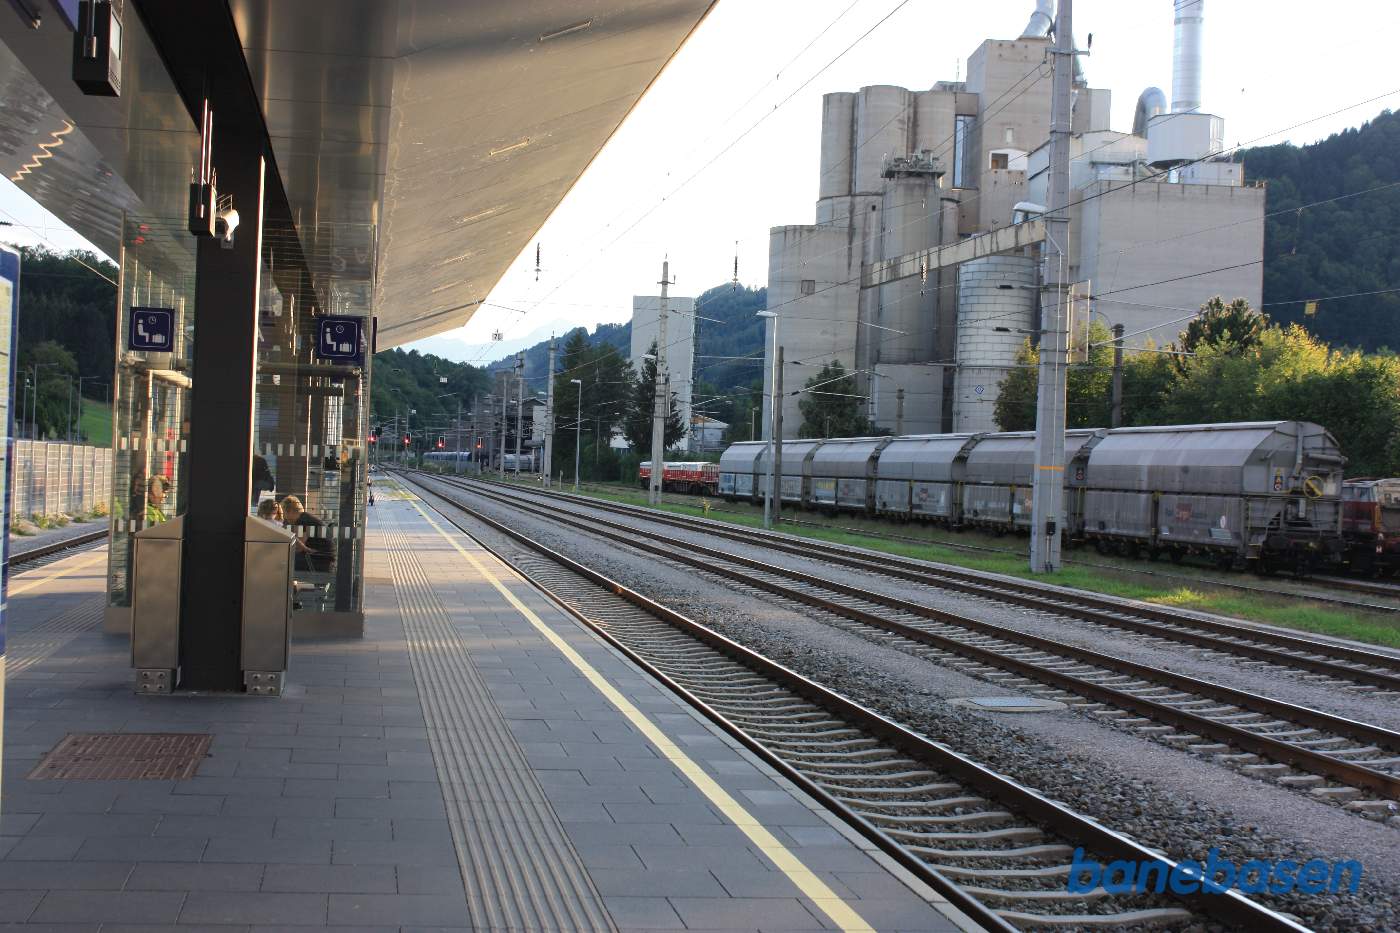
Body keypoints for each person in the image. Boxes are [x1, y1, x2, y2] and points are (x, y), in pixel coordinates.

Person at [281, 495, 333, 573]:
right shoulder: (306, 518)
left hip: (317, 563)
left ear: (290, 511)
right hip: (324, 561)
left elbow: (299, 548)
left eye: (284, 514)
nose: (285, 518)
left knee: (282, 561)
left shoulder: (302, 521)